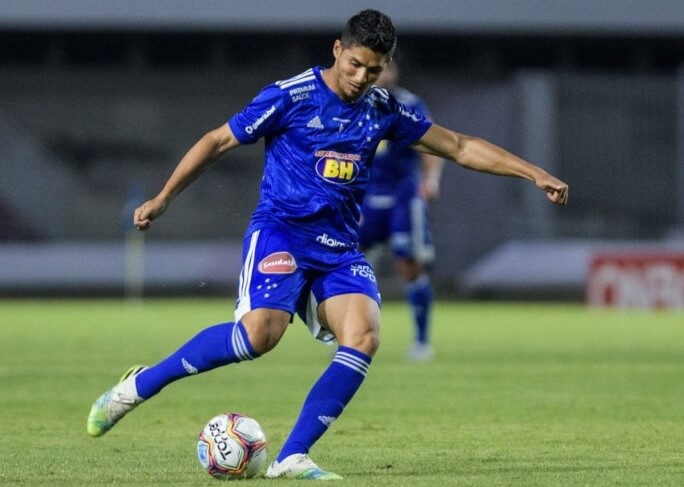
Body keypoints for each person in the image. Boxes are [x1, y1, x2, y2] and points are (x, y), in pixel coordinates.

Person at [87, 9, 568, 480]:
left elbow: (459, 147)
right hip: (282, 232)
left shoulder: (383, 109)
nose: (361, 78)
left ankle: (292, 457)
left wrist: (534, 173)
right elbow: (216, 141)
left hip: (338, 247)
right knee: (258, 338)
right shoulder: (290, 96)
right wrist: (164, 198)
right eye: (354, 64)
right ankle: (140, 385)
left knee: (363, 336)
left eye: (373, 70)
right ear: (338, 50)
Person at [358, 60, 443, 362]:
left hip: (403, 195)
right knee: (350, 264)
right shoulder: (355, 102)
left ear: (394, 71)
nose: (383, 75)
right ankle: (348, 335)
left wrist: (431, 180)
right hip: (366, 195)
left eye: (387, 68)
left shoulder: (410, 104)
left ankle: (421, 341)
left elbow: (433, 144)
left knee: (409, 264)